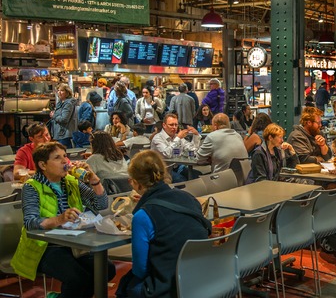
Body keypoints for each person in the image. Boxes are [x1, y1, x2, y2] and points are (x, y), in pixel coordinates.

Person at [10, 142, 115, 298]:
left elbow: (100, 204)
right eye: (57, 158)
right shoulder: (32, 187)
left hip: (75, 243)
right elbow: (31, 223)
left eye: (65, 156)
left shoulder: (72, 182)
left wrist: (94, 179)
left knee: (106, 270)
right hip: (45, 247)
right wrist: (59, 219)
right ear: (43, 165)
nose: (65, 161)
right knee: (77, 279)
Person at [115, 150, 210, 298]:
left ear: (137, 184)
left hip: (168, 287)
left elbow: (140, 269)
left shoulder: (143, 215)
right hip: (201, 277)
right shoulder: (189, 198)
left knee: (128, 285)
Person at [50, 83, 77, 148]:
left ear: (67, 92)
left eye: (62, 91)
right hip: (59, 133)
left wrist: (54, 116)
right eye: (58, 90)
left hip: (64, 134)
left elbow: (64, 119)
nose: (59, 92)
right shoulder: (60, 102)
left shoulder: (68, 104)